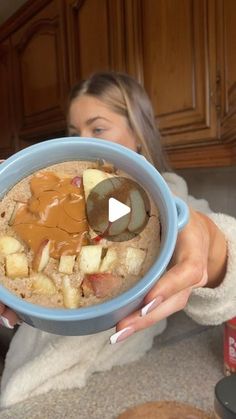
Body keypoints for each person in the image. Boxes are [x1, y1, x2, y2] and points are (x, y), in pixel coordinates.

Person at [0, 72, 235, 408]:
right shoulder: (58, 189)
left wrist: (211, 245)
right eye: (74, 131)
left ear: (137, 131)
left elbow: (223, 254)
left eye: (97, 128)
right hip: (25, 382)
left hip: (108, 385)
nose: (84, 139)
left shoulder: (167, 199)